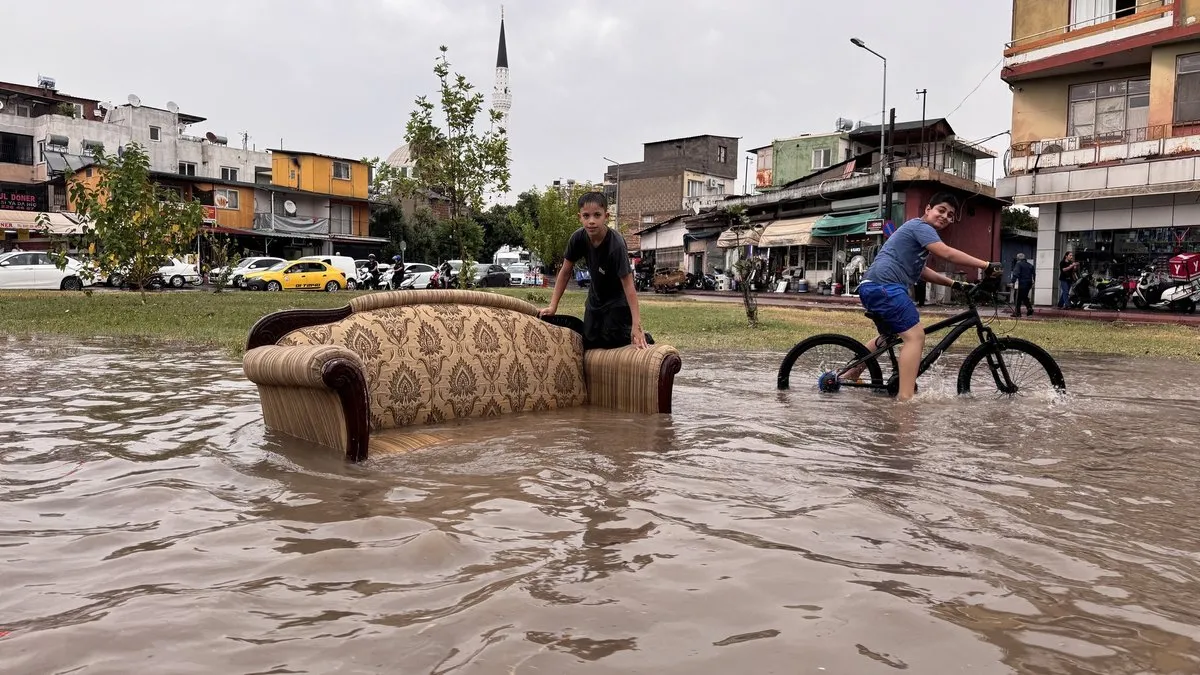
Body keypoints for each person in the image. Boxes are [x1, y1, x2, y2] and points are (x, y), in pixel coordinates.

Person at [845, 192, 1000, 402]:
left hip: (874, 286)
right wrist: (986, 265)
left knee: (888, 338)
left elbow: (921, 271)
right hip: (884, 286)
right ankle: (905, 398)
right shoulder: (921, 227)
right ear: (928, 209)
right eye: (941, 210)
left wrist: (955, 283)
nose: (945, 216)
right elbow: (946, 253)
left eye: (951, 215)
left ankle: (850, 374)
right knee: (915, 336)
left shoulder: (918, 233)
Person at [539, 191, 650, 349]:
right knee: (590, 342)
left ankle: (645, 338)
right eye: (586, 216)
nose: (591, 221)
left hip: (617, 301)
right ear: (580, 217)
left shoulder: (616, 244)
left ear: (607, 216)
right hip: (595, 299)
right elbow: (565, 272)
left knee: (612, 341)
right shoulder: (577, 238)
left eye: (597, 215)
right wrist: (553, 306)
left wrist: (637, 325)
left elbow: (628, 284)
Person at [1011, 252, 1035, 317]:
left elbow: (1016, 273)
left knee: (1017, 297)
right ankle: (1029, 308)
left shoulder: (1018, 264)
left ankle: (1017, 313)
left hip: (1022, 283)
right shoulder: (1030, 265)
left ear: (1018, 259)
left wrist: (1012, 281)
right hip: (1029, 283)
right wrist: (1033, 282)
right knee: (1024, 296)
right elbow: (1033, 274)